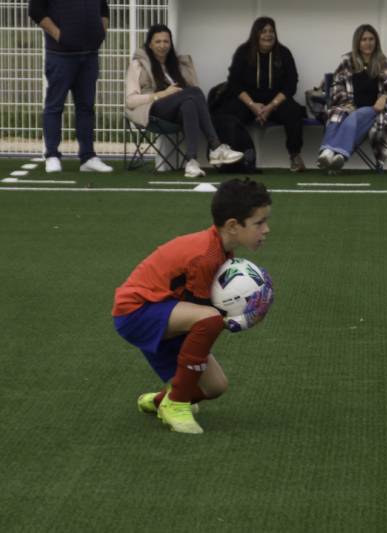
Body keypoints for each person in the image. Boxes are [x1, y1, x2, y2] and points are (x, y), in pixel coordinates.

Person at [112, 178, 272, 434]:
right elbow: (206, 317)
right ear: (233, 226)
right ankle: (176, 403)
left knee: (216, 386)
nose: (266, 229)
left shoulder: (221, 251)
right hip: (136, 312)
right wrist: (243, 318)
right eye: (259, 223)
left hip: (167, 310)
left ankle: (158, 401)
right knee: (208, 320)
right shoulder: (206, 256)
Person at [125, 24, 243, 178]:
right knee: (194, 92)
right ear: (150, 44)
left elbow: (191, 94)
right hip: (153, 111)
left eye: (166, 41)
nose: (162, 45)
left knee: (189, 104)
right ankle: (216, 146)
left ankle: (192, 161)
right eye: (158, 41)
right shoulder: (138, 65)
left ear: (171, 43)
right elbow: (130, 101)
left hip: (177, 112)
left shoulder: (177, 65)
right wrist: (161, 94)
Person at [28, 0, 113, 173]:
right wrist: (60, 35)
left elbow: (103, 8)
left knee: (86, 107)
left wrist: (100, 33)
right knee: (54, 105)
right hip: (60, 55)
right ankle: (52, 155)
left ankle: (88, 157)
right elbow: (36, 10)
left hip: (90, 55)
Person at [218, 17, 307, 172]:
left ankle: (295, 156)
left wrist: (271, 106)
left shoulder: (284, 53)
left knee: (293, 111)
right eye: (264, 31)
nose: (268, 35)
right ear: (256, 33)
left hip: (276, 102)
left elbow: (291, 84)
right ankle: (234, 158)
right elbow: (234, 83)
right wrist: (253, 105)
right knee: (230, 113)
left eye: (271, 31)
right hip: (249, 102)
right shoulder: (243, 52)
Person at [317, 24, 387, 171]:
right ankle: (338, 155)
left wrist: (385, 97)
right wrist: (346, 103)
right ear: (357, 42)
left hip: (373, 110)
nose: (368, 43)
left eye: (371, 39)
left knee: (354, 116)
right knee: (336, 115)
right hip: (348, 107)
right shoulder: (347, 63)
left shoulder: (385, 64)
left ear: (376, 42)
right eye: (363, 39)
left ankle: (328, 151)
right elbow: (336, 86)